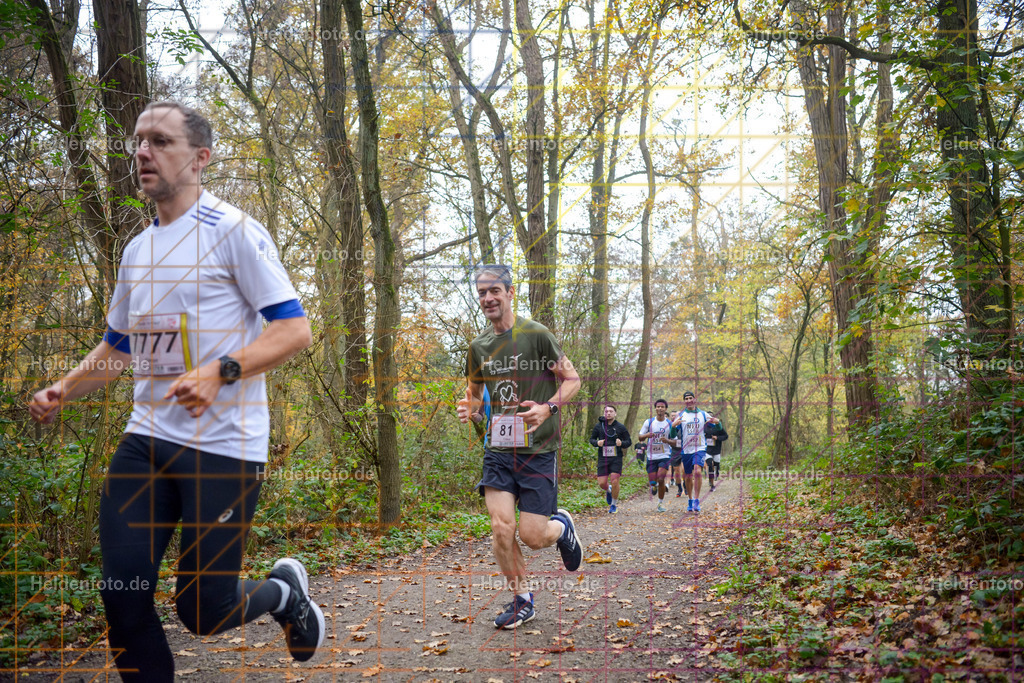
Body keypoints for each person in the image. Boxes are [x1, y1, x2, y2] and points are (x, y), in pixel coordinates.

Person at [27, 101, 322, 681]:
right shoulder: (137, 251)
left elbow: (294, 329)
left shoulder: (232, 231)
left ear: (200, 158)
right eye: (139, 141)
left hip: (225, 447)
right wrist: (65, 387)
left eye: (160, 140)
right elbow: (119, 347)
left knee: (202, 610)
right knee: (123, 595)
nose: (142, 152)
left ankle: (285, 594)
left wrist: (222, 370)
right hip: (146, 441)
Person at [457, 264, 583, 629]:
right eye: (481, 293)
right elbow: (475, 398)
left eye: (494, 290)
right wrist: (470, 410)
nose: (487, 298)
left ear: (510, 293)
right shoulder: (478, 347)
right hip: (498, 450)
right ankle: (522, 600)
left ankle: (561, 529)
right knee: (500, 528)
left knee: (533, 536)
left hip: (538, 451)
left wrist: (548, 408)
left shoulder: (537, 335)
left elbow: (572, 379)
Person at [673, 390, 719, 513]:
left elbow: (717, 426)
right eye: (686, 399)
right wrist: (673, 426)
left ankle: (697, 500)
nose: (688, 400)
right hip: (686, 449)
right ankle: (690, 499)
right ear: (684, 401)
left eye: (690, 398)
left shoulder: (703, 414)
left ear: (695, 399)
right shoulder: (681, 415)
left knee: (698, 471)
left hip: (700, 448)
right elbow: (673, 433)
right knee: (687, 477)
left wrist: (717, 422)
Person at [589, 404, 631, 513]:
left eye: (611, 411)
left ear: (615, 413)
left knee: (615, 480)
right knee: (602, 483)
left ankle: (613, 505)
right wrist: (597, 443)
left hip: (616, 458)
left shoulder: (621, 427)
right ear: (604, 413)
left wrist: (621, 443)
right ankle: (609, 489)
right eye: (606, 411)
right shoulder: (599, 426)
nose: (608, 413)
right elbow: (592, 439)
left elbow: (629, 442)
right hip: (603, 458)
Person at [637, 399, 675, 512]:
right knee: (653, 481)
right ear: (655, 408)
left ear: (665, 409)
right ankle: (653, 486)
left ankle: (660, 503)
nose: (660, 409)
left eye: (662, 407)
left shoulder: (670, 424)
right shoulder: (648, 422)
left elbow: (676, 441)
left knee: (661, 478)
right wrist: (647, 435)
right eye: (658, 407)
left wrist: (667, 440)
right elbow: (639, 437)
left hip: (665, 455)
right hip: (651, 456)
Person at [704, 415, 728, 491]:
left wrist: (717, 438)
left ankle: (716, 473)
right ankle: (712, 485)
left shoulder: (718, 427)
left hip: (716, 449)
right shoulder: (703, 427)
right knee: (710, 465)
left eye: (710, 419)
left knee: (716, 465)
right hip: (707, 450)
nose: (709, 420)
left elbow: (726, 436)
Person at [667, 410, 687, 498]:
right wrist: (673, 442)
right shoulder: (671, 427)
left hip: (684, 451)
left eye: (679, 416)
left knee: (684, 470)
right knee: (677, 472)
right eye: (676, 416)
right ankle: (679, 488)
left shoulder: (685, 426)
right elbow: (668, 440)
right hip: (675, 451)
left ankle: (686, 485)